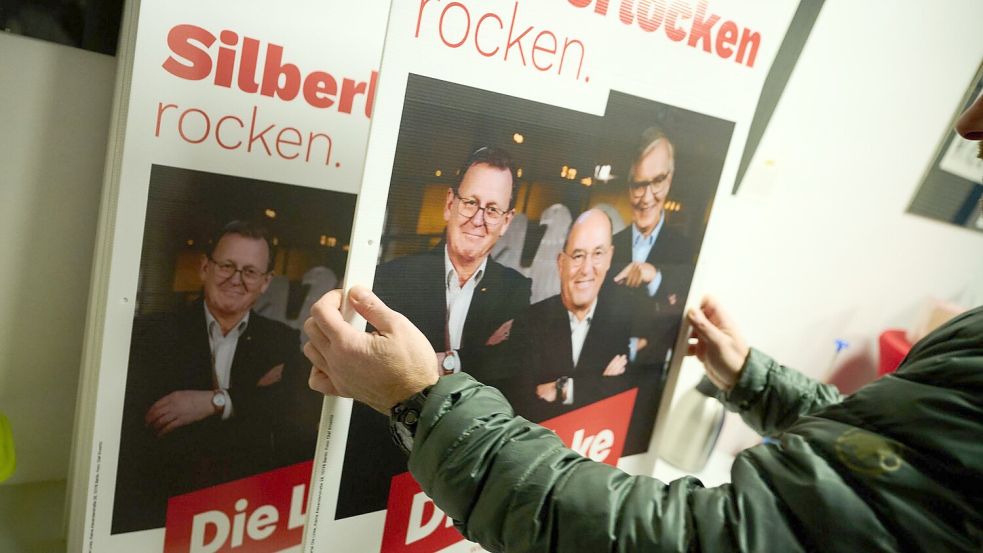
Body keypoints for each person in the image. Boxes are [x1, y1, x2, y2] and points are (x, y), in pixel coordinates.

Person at [304, 95, 983, 552]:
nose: (968, 121)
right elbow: (890, 456)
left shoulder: (542, 300)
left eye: (602, 256)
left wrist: (425, 402)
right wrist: (758, 380)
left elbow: (696, 538)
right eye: (579, 255)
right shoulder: (389, 280)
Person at [336, 146, 532, 518]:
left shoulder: (517, 291)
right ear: (449, 203)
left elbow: (510, 380)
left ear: (506, 222)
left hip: (472, 477)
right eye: (470, 202)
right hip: (389, 475)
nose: (478, 219)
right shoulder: (392, 280)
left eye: (492, 209)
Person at [113, 221, 312, 533]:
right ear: (205, 267)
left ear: (264, 282)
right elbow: (149, 423)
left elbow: (289, 415)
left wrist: (215, 401)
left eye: (250, 272)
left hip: (250, 511)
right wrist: (252, 398)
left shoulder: (281, 340)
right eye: (227, 266)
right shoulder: (150, 334)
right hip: (162, 505)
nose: (236, 279)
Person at [503, 209, 634, 422]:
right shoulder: (530, 321)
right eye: (578, 255)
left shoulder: (617, 318)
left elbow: (621, 390)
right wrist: (599, 383)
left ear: (609, 258)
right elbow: (523, 404)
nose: (587, 269)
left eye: (598, 254)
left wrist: (562, 388)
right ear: (561, 263)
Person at [609, 127, 694, 315]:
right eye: (639, 185)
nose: (647, 199)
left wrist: (655, 277)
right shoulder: (609, 246)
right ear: (629, 187)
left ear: (669, 181)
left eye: (657, 182)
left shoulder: (686, 251)